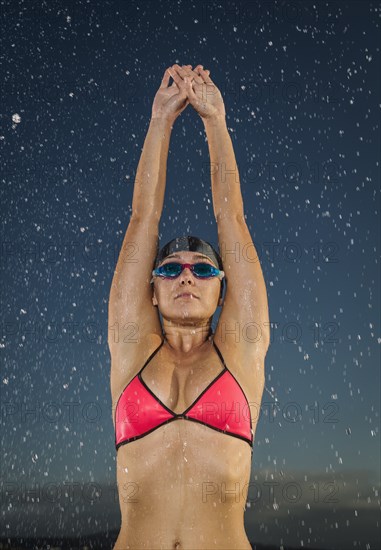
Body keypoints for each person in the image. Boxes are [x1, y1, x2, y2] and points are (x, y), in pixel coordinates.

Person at [108, 63, 270, 550]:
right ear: (151, 289)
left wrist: (215, 122)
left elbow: (231, 217)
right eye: (169, 269)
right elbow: (143, 218)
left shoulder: (240, 352)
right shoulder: (132, 350)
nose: (185, 276)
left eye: (203, 270)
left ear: (224, 290)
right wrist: (160, 121)